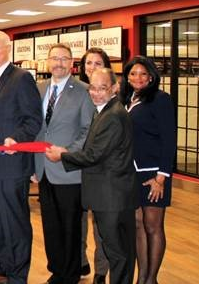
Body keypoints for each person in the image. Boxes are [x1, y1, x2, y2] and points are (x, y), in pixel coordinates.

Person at [45, 68, 138, 284]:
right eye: (92, 88)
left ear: (114, 87)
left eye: (102, 88)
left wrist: (63, 155)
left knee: (118, 252)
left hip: (112, 197)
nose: (96, 93)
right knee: (116, 249)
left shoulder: (113, 116)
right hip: (108, 196)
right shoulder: (103, 111)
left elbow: (94, 155)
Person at [0, 31, 42, 284]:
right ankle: (3, 267)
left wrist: (18, 138)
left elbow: (33, 118)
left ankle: (18, 275)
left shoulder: (22, 78)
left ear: (8, 48)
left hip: (12, 163)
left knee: (15, 222)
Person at [34, 44, 95, 284]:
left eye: (64, 59)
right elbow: (37, 129)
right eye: (54, 59)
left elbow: (88, 129)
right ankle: (57, 270)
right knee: (50, 225)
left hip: (69, 171)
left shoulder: (83, 91)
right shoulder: (39, 89)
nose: (59, 63)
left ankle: (70, 274)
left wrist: (67, 152)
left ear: (72, 63)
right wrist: (32, 165)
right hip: (43, 169)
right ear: (47, 62)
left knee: (70, 226)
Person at [119, 56, 176, 284]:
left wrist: (161, 177)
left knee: (153, 226)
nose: (138, 78)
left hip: (153, 173)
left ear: (152, 76)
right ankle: (141, 277)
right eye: (133, 73)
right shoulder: (126, 99)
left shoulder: (160, 99)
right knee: (138, 224)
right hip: (132, 172)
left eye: (143, 73)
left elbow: (169, 139)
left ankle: (151, 279)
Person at [78, 47, 112, 284]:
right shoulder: (76, 94)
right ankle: (80, 261)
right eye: (88, 63)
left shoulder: (112, 100)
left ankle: (101, 269)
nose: (92, 67)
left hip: (102, 171)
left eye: (98, 63)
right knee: (77, 220)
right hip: (77, 167)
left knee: (100, 224)